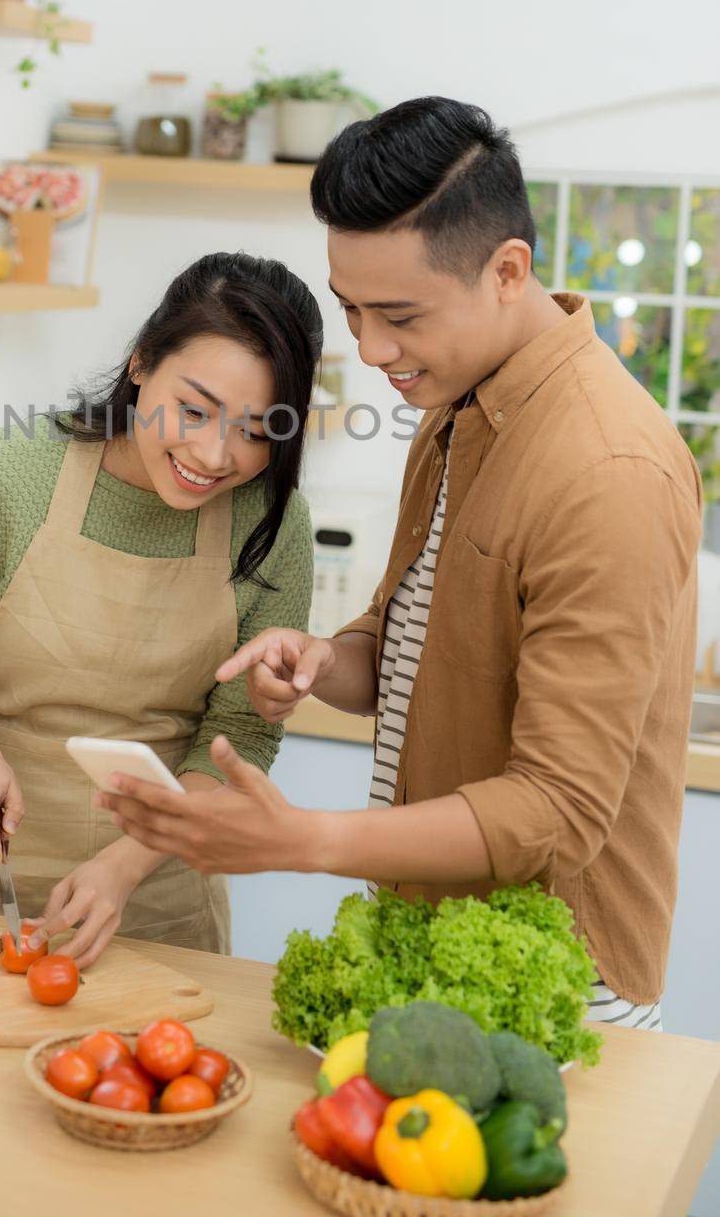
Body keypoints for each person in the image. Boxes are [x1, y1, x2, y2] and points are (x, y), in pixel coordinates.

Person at [100, 98, 702, 1030]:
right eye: (351, 310)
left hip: (553, 985)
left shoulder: (608, 469)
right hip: (428, 941)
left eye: (399, 316)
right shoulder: (458, 407)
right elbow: (406, 641)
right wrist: (321, 662)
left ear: (508, 271)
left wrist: (302, 840)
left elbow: (557, 810)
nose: (372, 350)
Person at [0, 251, 322, 967]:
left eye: (254, 430)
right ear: (143, 362)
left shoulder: (273, 523)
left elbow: (242, 733)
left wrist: (124, 866)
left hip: (162, 905)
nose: (214, 454)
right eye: (194, 409)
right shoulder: (7, 475)